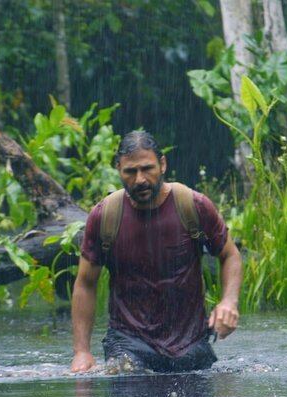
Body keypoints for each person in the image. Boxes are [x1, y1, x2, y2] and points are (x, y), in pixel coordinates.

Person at [70, 130, 242, 373]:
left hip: (190, 344)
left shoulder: (193, 205)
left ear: (162, 165)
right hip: (128, 344)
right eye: (130, 171)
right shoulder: (105, 216)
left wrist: (229, 301)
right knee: (130, 389)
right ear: (118, 169)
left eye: (147, 168)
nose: (140, 179)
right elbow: (86, 283)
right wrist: (81, 352)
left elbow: (230, 255)